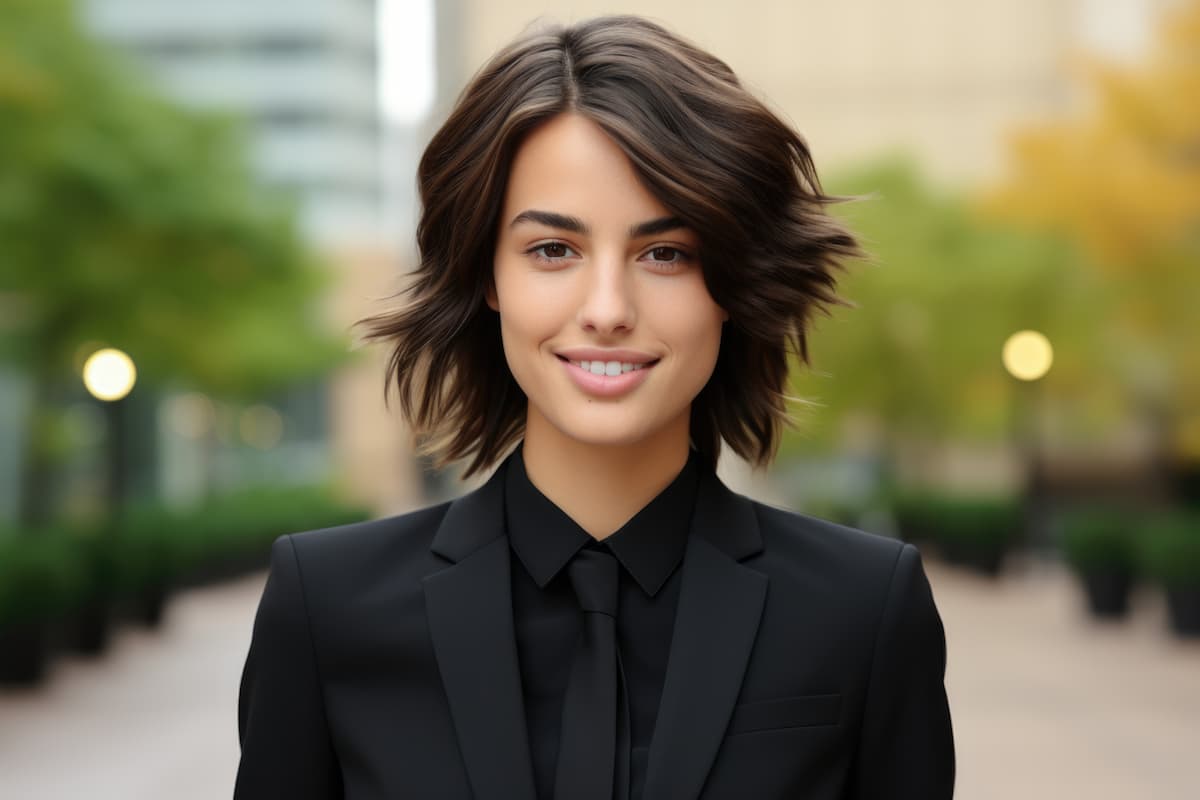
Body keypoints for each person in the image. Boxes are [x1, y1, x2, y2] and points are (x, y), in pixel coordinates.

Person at [233, 14, 954, 800]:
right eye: (553, 250)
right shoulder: (328, 609)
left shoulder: (863, 610)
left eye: (666, 253)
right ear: (488, 276)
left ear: (732, 286)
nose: (607, 307)